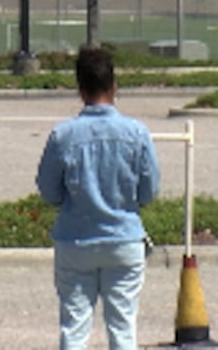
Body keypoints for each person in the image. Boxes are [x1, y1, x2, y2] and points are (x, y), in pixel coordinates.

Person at [36, 45, 160, 350]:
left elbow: (49, 191)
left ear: (80, 90)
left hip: (75, 240)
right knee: (123, 329)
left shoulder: (63, 135)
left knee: (74, 328)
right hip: (124, 239)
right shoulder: (137, 133)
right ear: (114, 87)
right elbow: (149, 191)